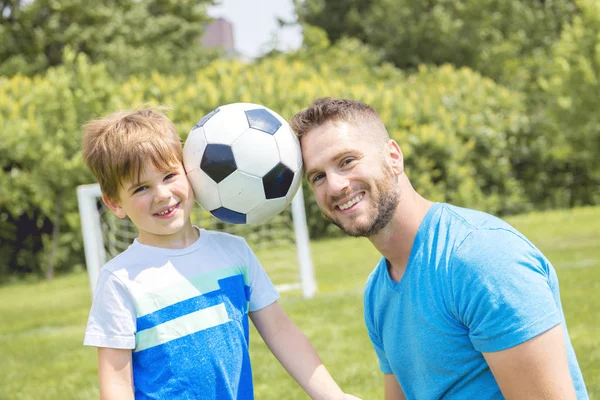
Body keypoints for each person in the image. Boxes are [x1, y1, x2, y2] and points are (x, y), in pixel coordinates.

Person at [290, 98, 589, 400]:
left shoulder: (481, 258)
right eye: (318, 177)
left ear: (393, 157)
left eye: (347, 161)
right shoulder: (378, 291)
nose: (336, 186)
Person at [81, 108, 358, 399]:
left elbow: (279, 331)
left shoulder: (234, 254)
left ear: (190, 171)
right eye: (141, 188)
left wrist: (333, 395)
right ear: (114, 203)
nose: (162, 194)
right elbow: (116, 382)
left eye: (169, 176)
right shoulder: (120, 280)